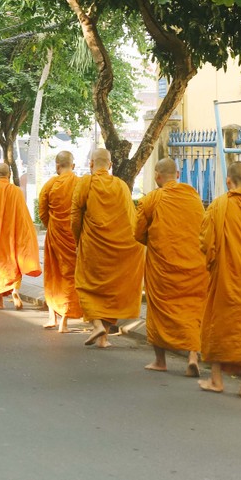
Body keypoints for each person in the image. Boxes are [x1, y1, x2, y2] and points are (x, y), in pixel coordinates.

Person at [135, 158, 208, 376]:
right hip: (195, 266)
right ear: (177, 174)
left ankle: (160, 360)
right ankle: (193, 356)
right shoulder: (193, 197)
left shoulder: (152, 199)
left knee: (159, 310)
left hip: (163, 267)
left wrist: (158, 244)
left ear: (157, 176)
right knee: (193, 311)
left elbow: (138, 233)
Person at [197, 161, 241, 398]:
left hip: (224, 277)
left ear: (228, 181)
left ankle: (216, 380)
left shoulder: (218, 205)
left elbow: (205, 243)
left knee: (218, 326)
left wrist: (212, 262)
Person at [71, 148, 145, 348]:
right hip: (118, 249)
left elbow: (75, 217)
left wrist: (78, 241)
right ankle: (103, 337)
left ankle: (97, 325)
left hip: (93, 248)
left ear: (91, 164)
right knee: (112, 291)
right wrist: (136, 247)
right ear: (110, 165)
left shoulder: (85, 183)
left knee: (85, 286)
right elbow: (131, 219)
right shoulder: (121, 185)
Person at [0, 163, 41, 309]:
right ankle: (14, 289)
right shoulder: (16, 191)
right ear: (10, 175)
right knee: (13, 264)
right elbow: (23, 216)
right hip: (12, 235)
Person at [38, 151, 83, 332]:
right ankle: (65, 318)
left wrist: (53, 225)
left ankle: (52, 317)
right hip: (74, 237)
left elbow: (42, 212)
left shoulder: (50, 185)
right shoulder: (80, 184)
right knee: (71, 275)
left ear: (57, 166)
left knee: (53, 274)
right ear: (72, 165)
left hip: (55, 236)